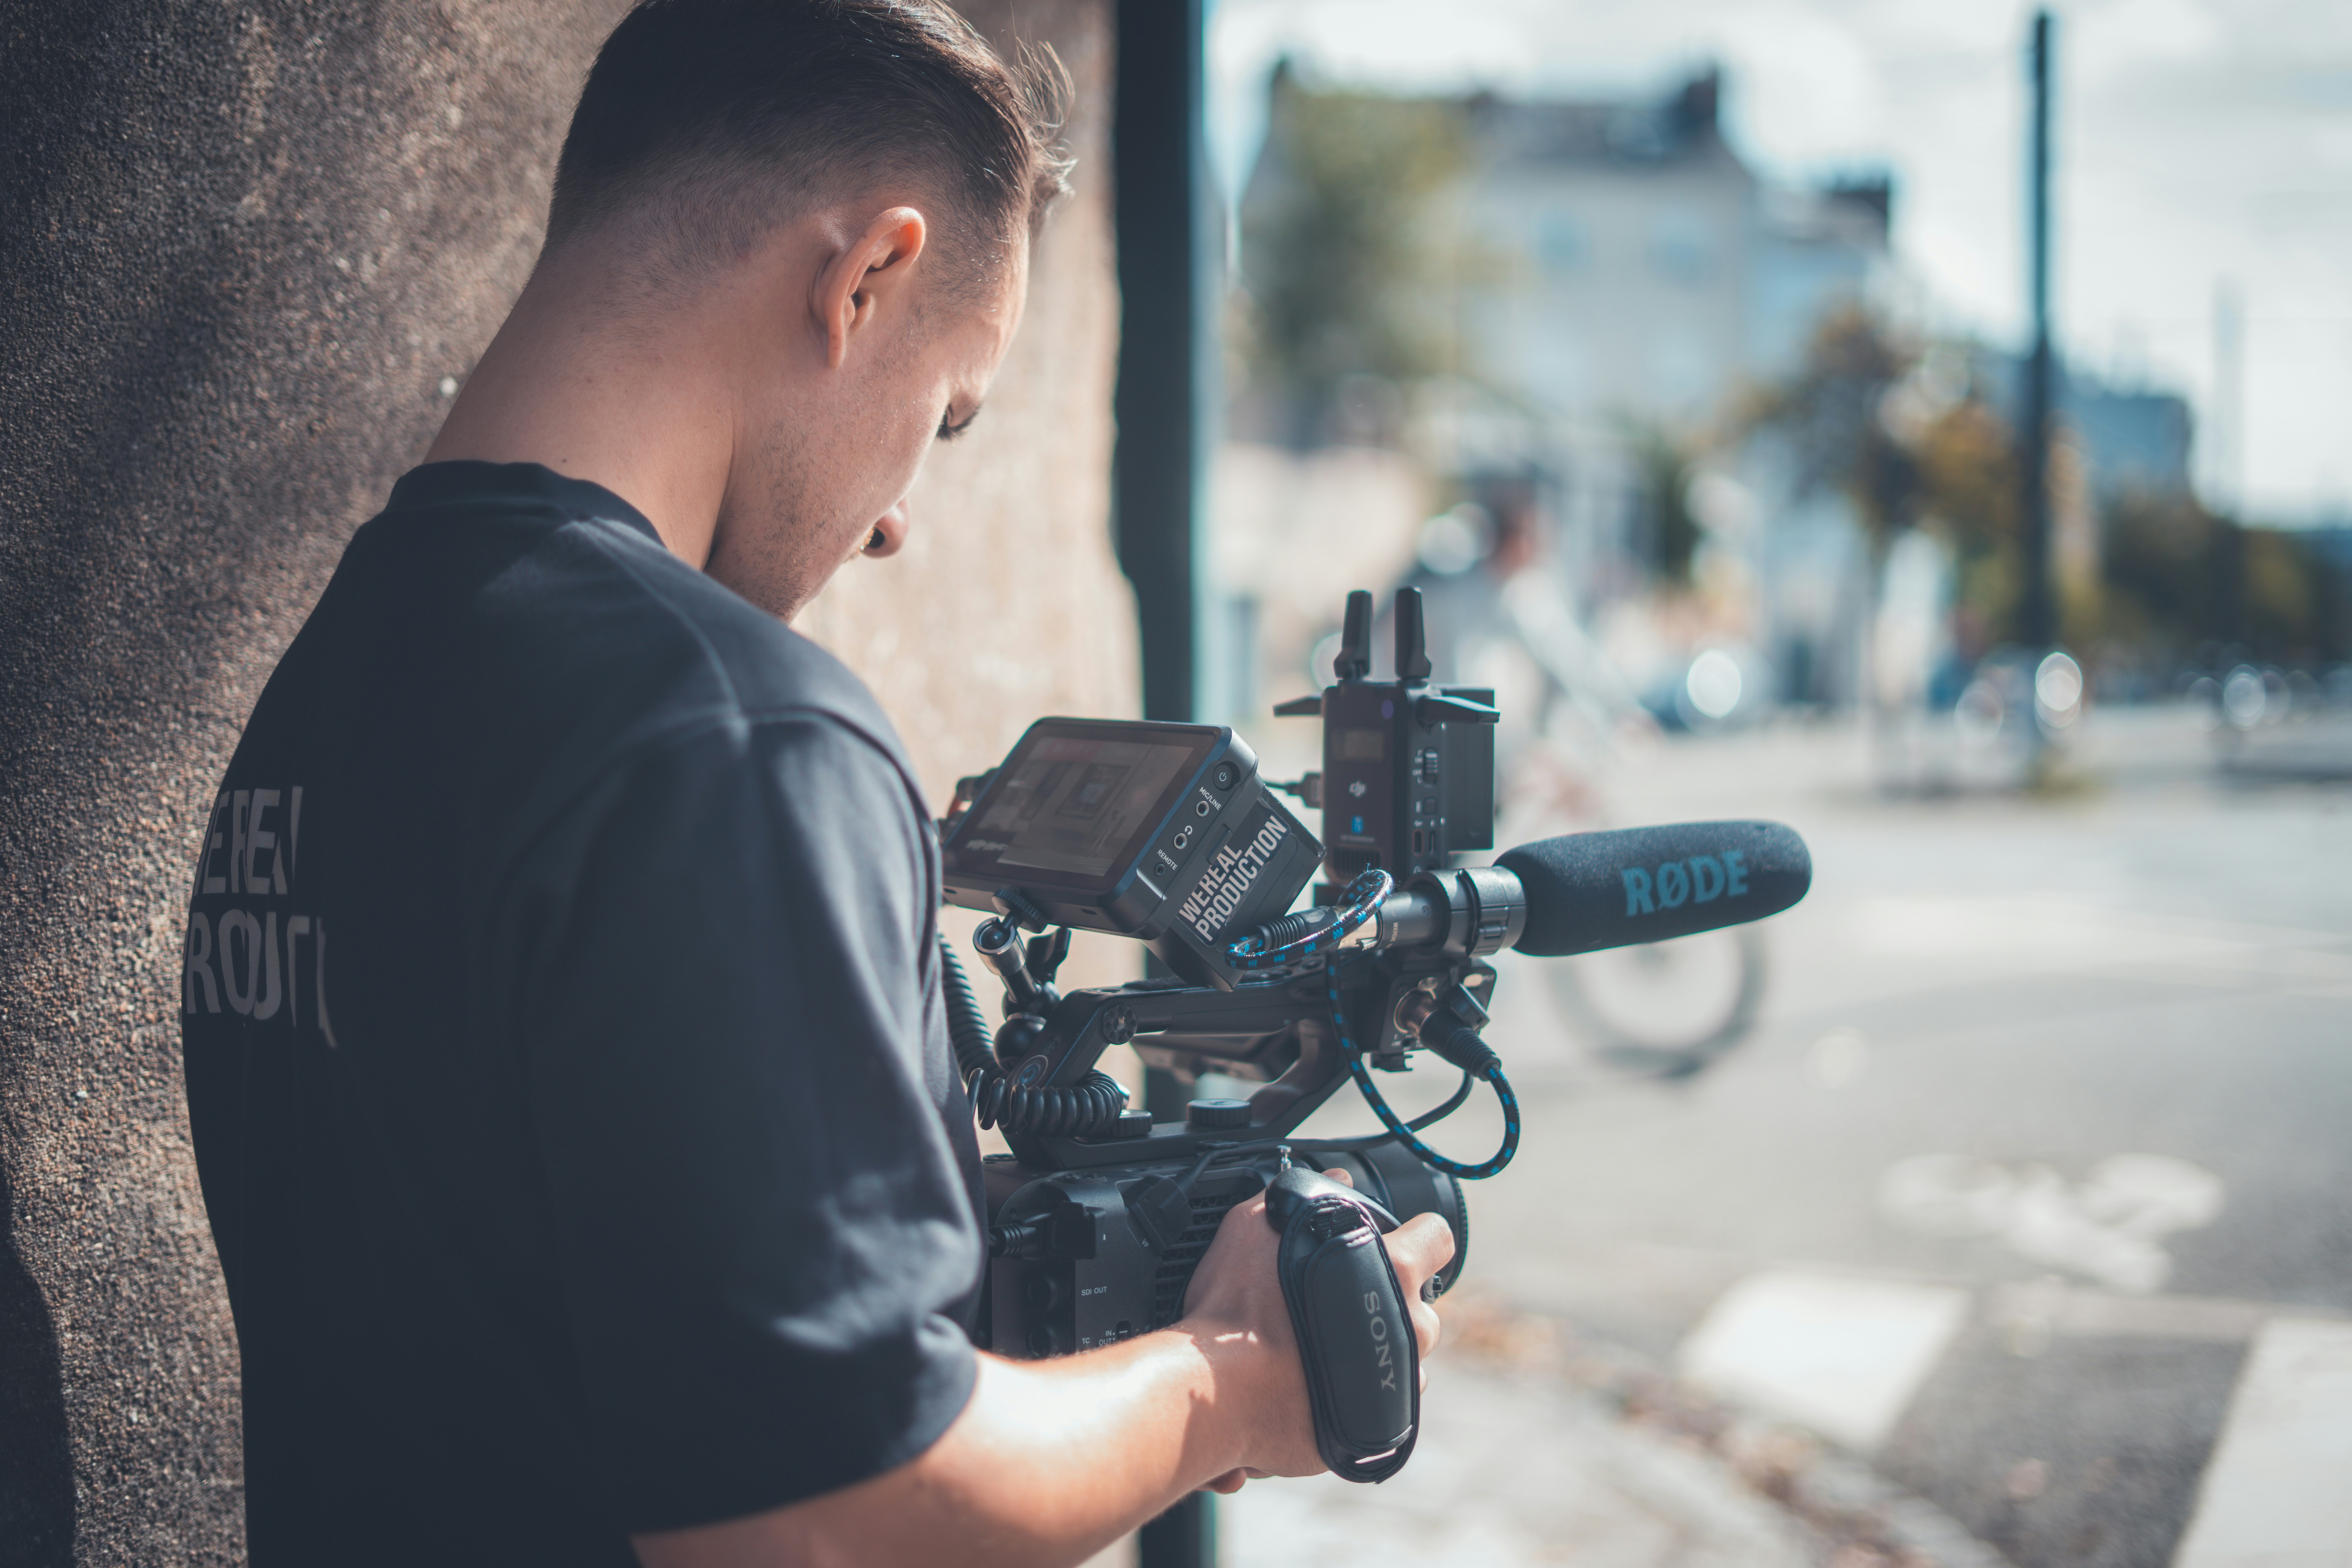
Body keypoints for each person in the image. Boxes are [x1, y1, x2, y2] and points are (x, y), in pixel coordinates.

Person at [177, 3, 1453, 1565]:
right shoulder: (736, 733)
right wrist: (1237, 1383)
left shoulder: (336, 675)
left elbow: (554, 1267)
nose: (903, 517)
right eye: (948, 413)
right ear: (867, 277)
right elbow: (836, 1517)